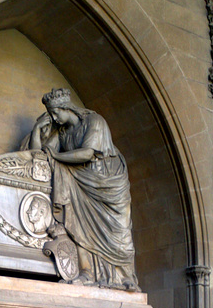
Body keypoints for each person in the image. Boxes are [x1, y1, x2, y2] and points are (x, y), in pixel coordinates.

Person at [26, 87, 140, 290]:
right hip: (81, 185)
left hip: (108, 182)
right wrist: (37, 130)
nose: (53, 117)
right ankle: (87, 272)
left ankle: (125, 276)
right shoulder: (62, 133)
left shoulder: (95, 122)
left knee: (118, 230)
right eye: (50, 114)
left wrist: (57, 156)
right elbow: (39, 156)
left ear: (66, 107)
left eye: (55, 112)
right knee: (79, 225)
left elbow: (87, 153)